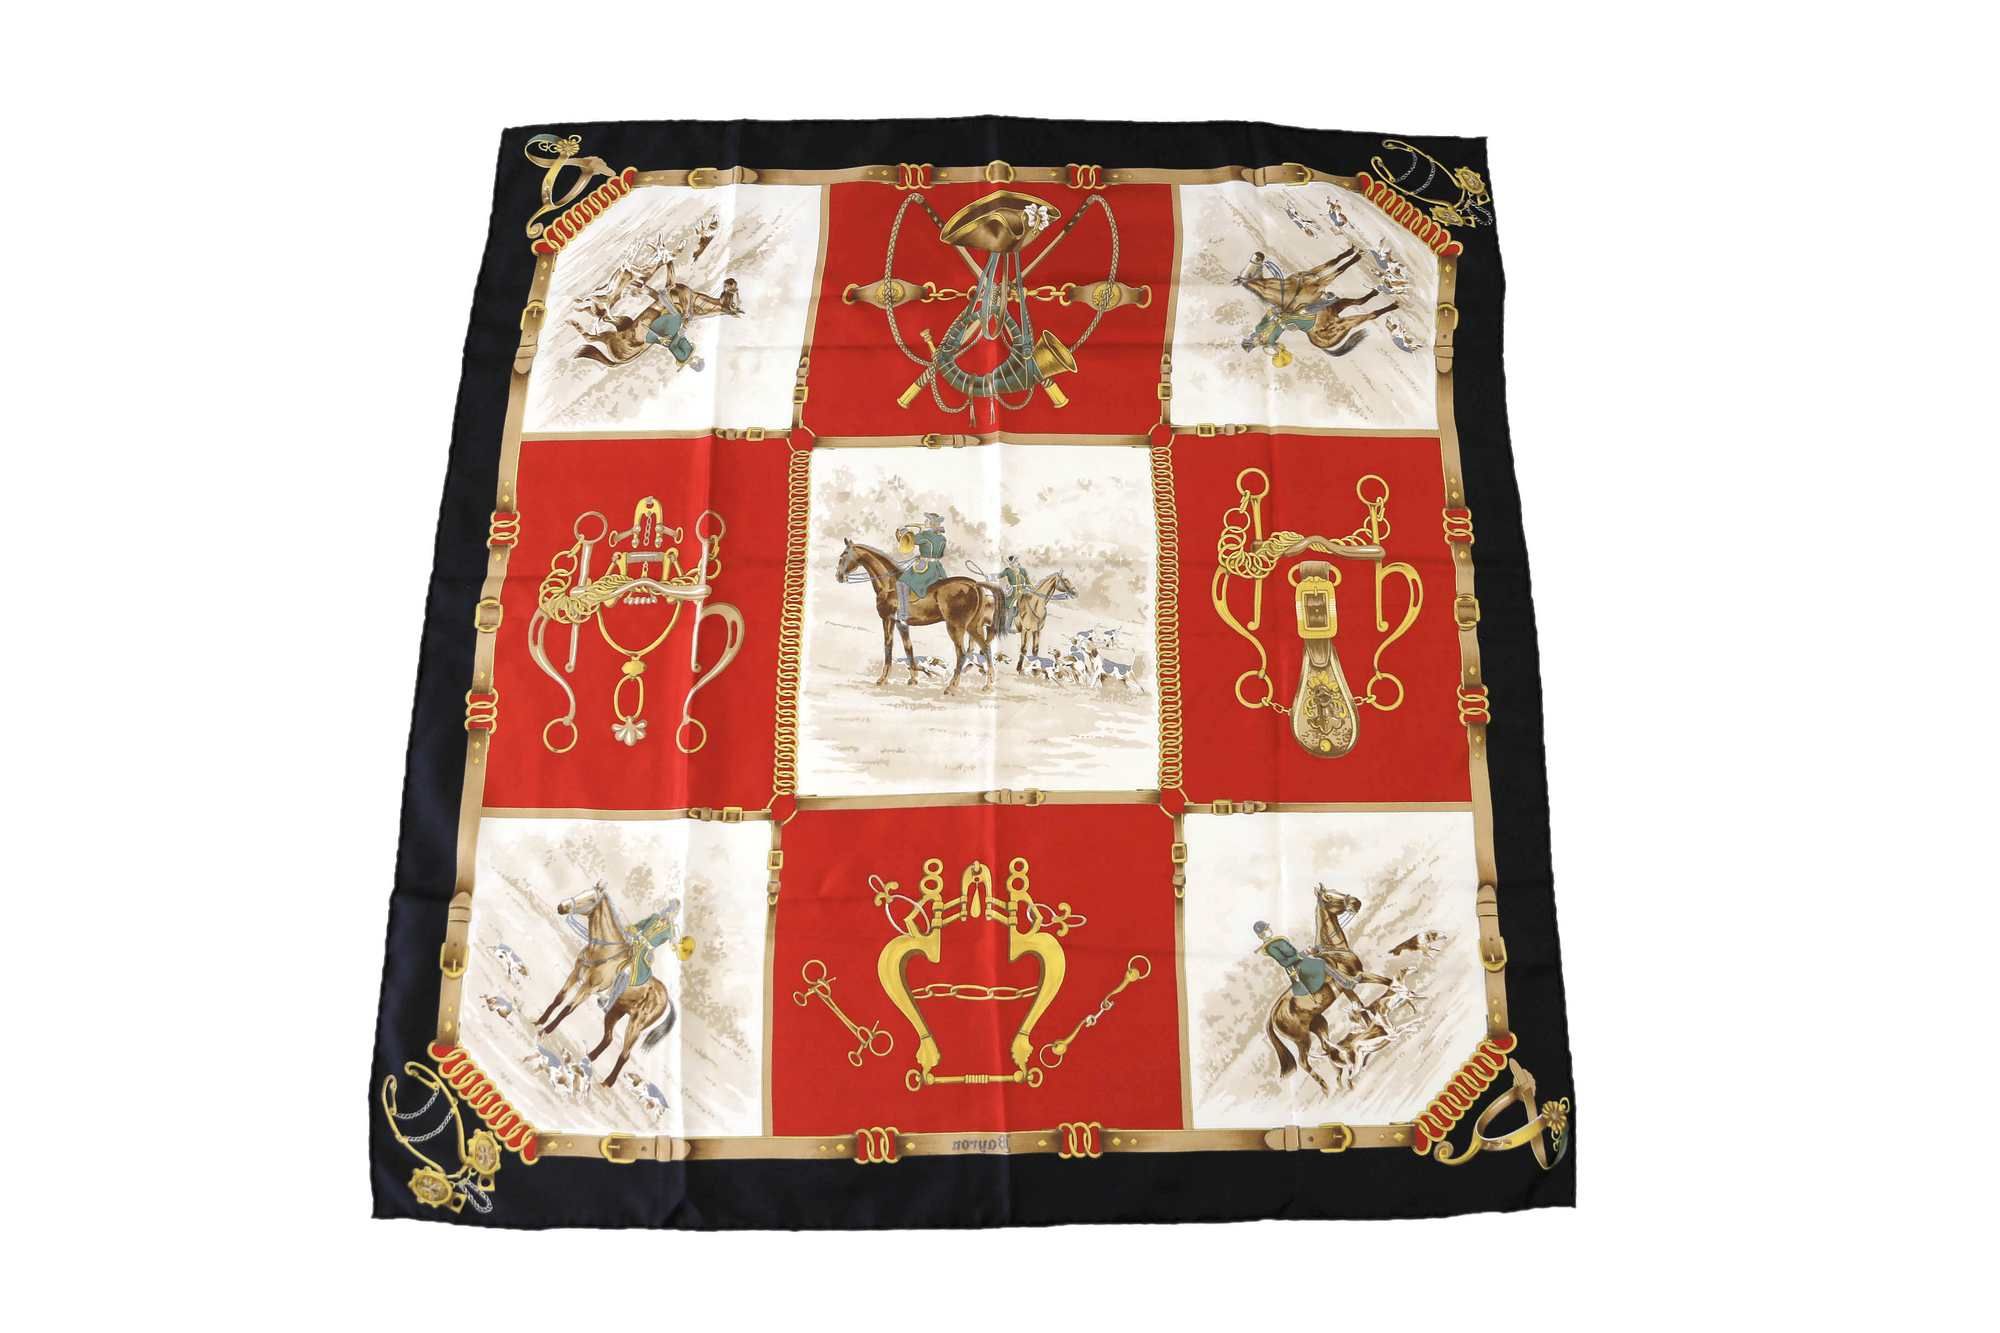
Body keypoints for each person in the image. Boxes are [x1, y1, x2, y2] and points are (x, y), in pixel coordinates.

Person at [893, 513, 948, 624]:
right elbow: (939, 554)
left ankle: (903, 614)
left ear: (931, 523)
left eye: (927, 520)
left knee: (901, 583)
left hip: (925, 568)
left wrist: (903, 530)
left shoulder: (925, 535)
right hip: (938, 569)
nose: (924, 522)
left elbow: (910, 541)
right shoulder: (942, 538)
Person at [1252, 920, 1329, 998]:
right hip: (1297, 967)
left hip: (1301, 961)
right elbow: (1285, 963)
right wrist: (1305, 952)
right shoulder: (1270, 947)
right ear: (1261, 935)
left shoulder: (1277, 940)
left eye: (1268, 927)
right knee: (1321, 963)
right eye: (1266, 929)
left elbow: (1294, 953)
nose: (1269, 929)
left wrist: (1308, 951)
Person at [997, 553, 1033, 635]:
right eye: (1016, 561)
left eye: (1017, 561)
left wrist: (1031, 587)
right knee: (1013, 608)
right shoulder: (1007, 571)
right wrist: (989, 576)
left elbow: (1028, 582)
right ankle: (1008, 627)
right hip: (1012, 594)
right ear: (1011, 563)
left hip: (1024, 592)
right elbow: (998, 576)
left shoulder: (1023, 570)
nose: (1018, 562)